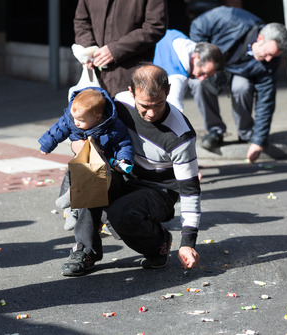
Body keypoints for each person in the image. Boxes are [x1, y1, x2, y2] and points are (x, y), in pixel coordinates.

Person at [60, 64, 201, 276]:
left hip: (159, 191)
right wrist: (78, 145)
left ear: (169, 91)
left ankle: (158, 243)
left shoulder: (180, 135)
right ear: (131, 91)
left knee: (120, 215)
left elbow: (190, 191)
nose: (151, 113)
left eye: (159, 104)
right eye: (145, 105)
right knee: (88, 169)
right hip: (125, 175)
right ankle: (85, 250)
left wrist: (188, 242)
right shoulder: (120, 102)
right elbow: (82, 126)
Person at [189, 6, 287, 163]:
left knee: (241, 87)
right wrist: (205, 54)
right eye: (268, 53)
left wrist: (258, 141)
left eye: (274, 56)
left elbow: (266, 100)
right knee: (197, 84)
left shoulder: (270, 62)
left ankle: (246, 134)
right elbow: (198, 25)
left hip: (242, 74)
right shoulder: (232, 19)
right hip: (215, 64)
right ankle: (215, 131)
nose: (269, 59)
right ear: (260, 39)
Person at [39, 87, 135, 230]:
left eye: (81, 120)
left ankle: (74, 200)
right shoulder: (72, 118)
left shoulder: (113, 127)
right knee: (74, 174)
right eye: (74, 117)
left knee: (95, 185)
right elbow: (57, 129)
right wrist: (47, 145)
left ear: (97, 117)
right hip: (82, 157)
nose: (76, 122)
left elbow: (123, 144)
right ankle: (71, 208)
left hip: (104, 161)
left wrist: (124, 159)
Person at [73, 0, 167, 97]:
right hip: (96, 74)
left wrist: (115, 50)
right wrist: (89, 49)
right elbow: (81, 21)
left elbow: (155, 26)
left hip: (131, 74)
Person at [152, 29, 223, 112]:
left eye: (207, 75)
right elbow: (174, 112)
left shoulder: (179, 36)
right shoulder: (176, 77)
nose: (202, 79)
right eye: (202, 73)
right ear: (195, 57)